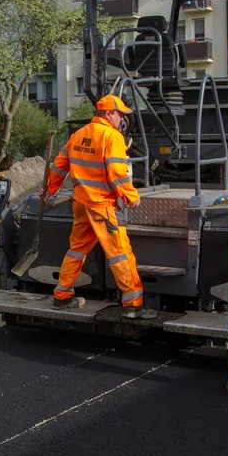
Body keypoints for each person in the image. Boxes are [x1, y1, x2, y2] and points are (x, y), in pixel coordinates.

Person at [45, 94, 156, 320]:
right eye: (120, 114)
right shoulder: (111, 136)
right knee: (120, 254)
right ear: (108, 114)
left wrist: (50, 189)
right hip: (102, 206)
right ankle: (133, 304)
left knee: (76, 250)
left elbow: (59, 166)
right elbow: (117, 172)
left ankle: (62, 295)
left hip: (81, 203)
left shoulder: (78, 135)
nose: (122, 119)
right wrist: (131, 195)